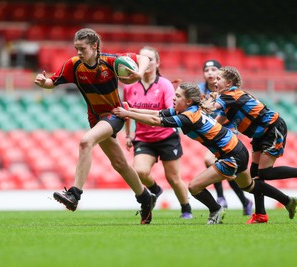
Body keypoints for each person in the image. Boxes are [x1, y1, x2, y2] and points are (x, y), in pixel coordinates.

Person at [112, 82, 297, 224]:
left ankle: (216, 210)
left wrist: (127, 114)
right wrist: (130, 110)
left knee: (194, 187)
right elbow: (158, 113)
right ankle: (287, 200)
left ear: (189, 101)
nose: (173, 99)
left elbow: (154, 120)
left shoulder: (188, 117)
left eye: (177, 96)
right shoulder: (187, 110)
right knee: (249, 186)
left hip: (231, 154)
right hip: (237, 149)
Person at [34, 28, 156, 224]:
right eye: (76, 49)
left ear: (94, 46)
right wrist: (43, 82)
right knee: (119, 164)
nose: (79, 53)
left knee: (85, 141)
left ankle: (74, 194)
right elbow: (53, 81)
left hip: (115, 114)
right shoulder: (73, 65)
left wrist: (139, 73)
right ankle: (145, 197)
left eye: (82, 48)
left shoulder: (111, 62)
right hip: (96, 118)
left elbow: (144, 58)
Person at [213, 66, 297, 224]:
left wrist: (197, 103)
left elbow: (212, 107)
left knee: (264, 173)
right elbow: (216, 124)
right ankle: (260, 214)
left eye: (218, 78)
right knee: (255, 174)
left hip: (272, 128)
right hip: (261, 133)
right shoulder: (228, 100)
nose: (214, 81)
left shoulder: (230, 94)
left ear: (229, 82)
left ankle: (283, 202)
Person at [122, 46, 193, 219]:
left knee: (173, 178)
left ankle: (186, 209)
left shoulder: (165, 85)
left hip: (166, 136)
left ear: (157, 63)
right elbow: (126, 111)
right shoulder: (129, 86)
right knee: (139, 171)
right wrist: (128, 135)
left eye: (150, 59)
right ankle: (155, 190)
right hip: (143, 138)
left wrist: (147, 117)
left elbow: (170, 111)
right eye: (142, 59)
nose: (146, 63)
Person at [198, 60, 253, 215]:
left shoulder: (228, 92)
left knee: (211, 161)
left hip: (227, 132)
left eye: (213, 69)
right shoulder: (200, 90)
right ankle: (244, 201)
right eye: (206, 69)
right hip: (211, 133)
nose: (210, 73)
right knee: (231, 173)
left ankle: (221, 197)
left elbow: (228, 114)